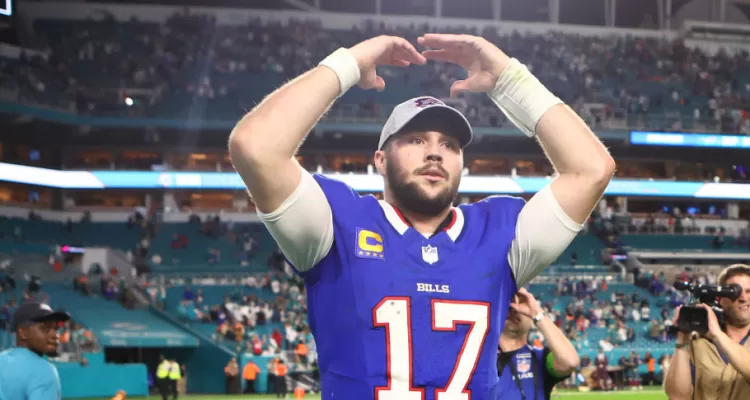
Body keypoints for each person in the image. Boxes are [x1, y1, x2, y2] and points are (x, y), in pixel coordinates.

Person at [230, 33, 614, 398]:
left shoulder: (498, 232)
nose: (435, 153)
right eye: (416, 140)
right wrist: (349, 63)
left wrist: (509, 80)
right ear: (380, 159)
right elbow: (256, 147)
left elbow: (591, 170)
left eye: (448, 144)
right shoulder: (337, 223)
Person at [664, 264, 750, 400]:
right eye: (734, 292)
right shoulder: (696, 342)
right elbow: (677, 397)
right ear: (720, 299)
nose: (743, 297)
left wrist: (717, 335)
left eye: (749, 291)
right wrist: (682, 339)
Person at [497, 288, 578, 400]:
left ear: (532, 322)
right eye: (508, 307)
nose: (514, 310)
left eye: (521, 308)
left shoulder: (540, 358)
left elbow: (570, 362)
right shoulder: (481, 358)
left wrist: (537, 313)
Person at [0, 302, 70, 400]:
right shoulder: (44, 370)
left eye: (56, 328)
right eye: (45, 328)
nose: (55, 335)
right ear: (23, 333)